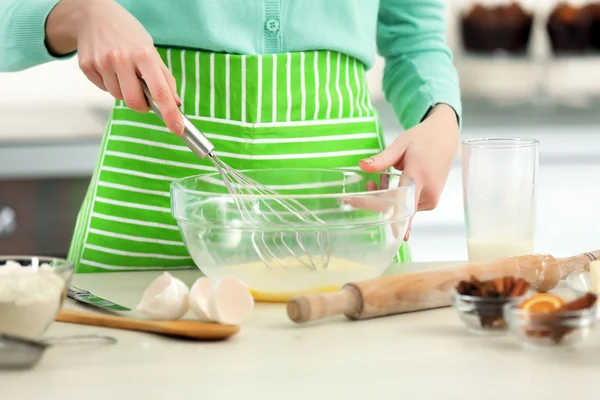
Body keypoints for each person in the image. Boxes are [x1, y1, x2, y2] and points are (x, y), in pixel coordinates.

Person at [0, 0, 461, 273]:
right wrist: (76, 13)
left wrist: (440, 114)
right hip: (150, 213)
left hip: (345, 226)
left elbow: (413, 36)